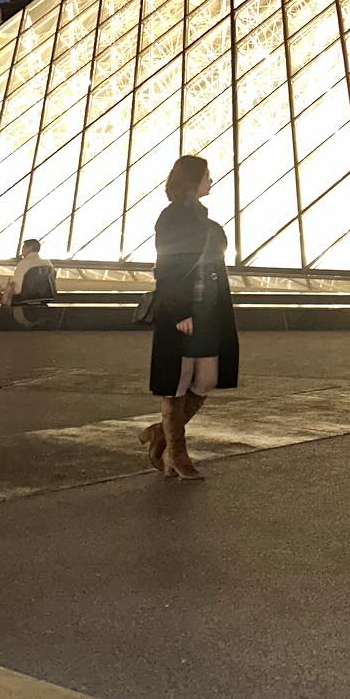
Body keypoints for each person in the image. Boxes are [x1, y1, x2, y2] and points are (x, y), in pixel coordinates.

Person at [142, 155, 237, 481]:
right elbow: (168, 266)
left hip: (208, 309)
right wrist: (180, 310)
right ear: (192, 180)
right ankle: (177, 454)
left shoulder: (202, 218)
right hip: (182, 311)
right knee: (178, 380)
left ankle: (161, 433)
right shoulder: (171, 218)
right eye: (207, 175)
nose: (211, 180)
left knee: (206, 379)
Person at [9, 239, 57, 320]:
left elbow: (16, 288)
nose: (22, 250)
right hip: (44, 300)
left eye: (23, 247)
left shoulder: (24, 263)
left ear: (30, 248)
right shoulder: (48, 263)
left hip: (23, 302)